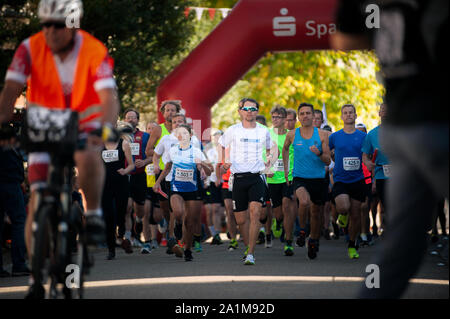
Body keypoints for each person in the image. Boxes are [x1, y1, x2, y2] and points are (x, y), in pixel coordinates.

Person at [0, 0, 120, 297]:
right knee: (38, 199)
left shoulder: (92, 49)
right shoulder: (29, 48)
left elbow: (108, 96)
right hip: (44, 122)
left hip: (83, 119)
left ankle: (92, 215)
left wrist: (106, 126)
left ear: (72, 25)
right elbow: (9, 93)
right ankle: (34, 277)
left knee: (88, 153)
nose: (51, 31)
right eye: (46, 24)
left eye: (58, 24)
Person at [332, 0, 448, 298]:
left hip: (399, 127)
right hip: (435, 121)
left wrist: (386, 33)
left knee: (403, 243)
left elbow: (342, 39)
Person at [219, 98, 278, 265]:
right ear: (240, 111)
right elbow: (221, 145)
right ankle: (247, 245)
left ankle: (251, 253)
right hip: (238, 178)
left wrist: (269, 163)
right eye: (246, 108)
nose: (249, 111)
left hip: (257, 176)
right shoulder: (233, 130)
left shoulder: (263, 131)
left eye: (253, 108)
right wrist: (223, 162)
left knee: (255, 213)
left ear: (257, 111)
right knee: (240, 220)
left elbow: (271, 149)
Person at [153, 124, 213, 262]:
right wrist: (158, 182)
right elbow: (167, 168)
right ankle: (178, 225)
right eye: (180, 133)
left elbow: (210, 171)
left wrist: (202, 164)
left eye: (185, 133)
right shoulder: (172, 151)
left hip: (192, 190)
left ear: (190, 135)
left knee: (190, 222)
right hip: (176, 188)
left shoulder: (196, 152)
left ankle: (187, 250)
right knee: (178, 213)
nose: (182, 136)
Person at [283, 103, 331, 259]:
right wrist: (286, 170)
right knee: (303, 202)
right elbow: (284, 149)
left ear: (313, 116)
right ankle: (302, 231)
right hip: (299, 177)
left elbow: (328, 161)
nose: (305, 116)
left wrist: (319, 153)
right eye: (302, 113)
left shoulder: (323, 135)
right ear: (298, 117)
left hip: (318, 178)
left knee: (316, 213)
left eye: (308, 113)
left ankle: (314, 240)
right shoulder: (291, 134)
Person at [328, 104, 367, 259]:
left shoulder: (363, 137)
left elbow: (368, 154)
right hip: (340, 179)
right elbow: (327, 153)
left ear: (355, 115)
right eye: (345, 113)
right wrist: (330, 156)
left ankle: (352, 244)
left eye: (351, 113)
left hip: (358, 179)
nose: (348, 115)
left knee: (356, 214)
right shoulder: (335, 136)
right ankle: (342, 215)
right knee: (344, 207)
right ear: (342, 117)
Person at [147, 100, 181, 253]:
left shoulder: (183, 131)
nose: (170, 113)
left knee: (175, 206)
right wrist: (158, 157)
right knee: (165, 208)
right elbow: (148, 150)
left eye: (173, 110)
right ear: (163, 113)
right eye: (167, 110)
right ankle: (169, 228)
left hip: (178, 173)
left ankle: (173, 236)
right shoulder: (158, 130)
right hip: (161, 173)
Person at [101, 122, 135, 260]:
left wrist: (125, 170)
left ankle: (122, 237)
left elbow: (131, 165)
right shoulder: (99, 146)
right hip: (105, 184)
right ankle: (111, 249)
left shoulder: (124, 144)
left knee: (121, 213)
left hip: (120, 183)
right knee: (108, 216)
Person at [0, 124, 29, 277]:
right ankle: (18, 264)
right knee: (19, 221)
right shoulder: (9, 148)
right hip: (11, 184)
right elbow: (17, 166)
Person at [266, 105, 296, 256]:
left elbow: (295, 154)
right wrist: (267, 168)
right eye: (273, 117)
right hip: (272, 179)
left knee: (287, 206)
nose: (275, 120)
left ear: (284, 119)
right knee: (278, 212)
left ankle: (289, 242)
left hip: (288, 177)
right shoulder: (267, 134)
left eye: (278, 117)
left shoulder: (291, 135)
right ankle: (279, 222)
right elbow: (261, 154)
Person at [122, 108, 151, 254]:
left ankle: (137, 226)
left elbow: (153, 156)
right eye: (128, 118)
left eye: (133, 117)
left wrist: (145, 162)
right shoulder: (120, 137)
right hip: (125, 176)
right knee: (127, 207)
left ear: (138, 120)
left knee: (140, 211)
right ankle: (127, 237)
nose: (130, 120)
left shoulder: (145, 136)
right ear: (124, 120)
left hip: (139, 176)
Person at [205, 130, 225, 246]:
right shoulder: (210, 152)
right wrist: (206, 181)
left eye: (219, 137)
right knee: (215, 209)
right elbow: (206, 168)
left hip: (226, 183)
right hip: (213, 183)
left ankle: (234, 233)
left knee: (224, 212)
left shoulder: (228, 151)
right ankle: (215, 235)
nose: (217, 140)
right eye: (215, 138)